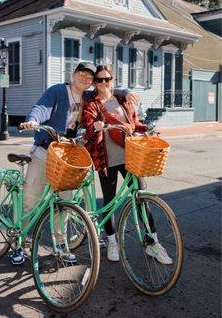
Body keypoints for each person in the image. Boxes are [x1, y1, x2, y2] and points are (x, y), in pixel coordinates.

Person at [14, 61, 139, 265]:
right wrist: (33, 121)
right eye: (81, 73)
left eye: (89, 77)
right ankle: (21, 243)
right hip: (45, 151)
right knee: (31, 199)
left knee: (65, 202)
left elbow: (107, 88)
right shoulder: (58, 91)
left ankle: (62, 245)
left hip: (67, 155)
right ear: (73, 74)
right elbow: (42, 108)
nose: (85, 78)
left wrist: (126, 91)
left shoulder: (89, 97)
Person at [82, 65, 173, 264]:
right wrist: (95, 127)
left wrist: (146, 127)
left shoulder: (121, 99)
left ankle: (152, 243)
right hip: (107, 159)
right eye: (99, 80)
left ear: (112, 80)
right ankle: (112, 241)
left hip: (132, 157)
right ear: (95, 83)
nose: (104, 83)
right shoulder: (92, 104)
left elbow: (133, 122)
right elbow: (88, 131)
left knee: (141, 196)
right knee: (110, 200)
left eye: (107, 79)